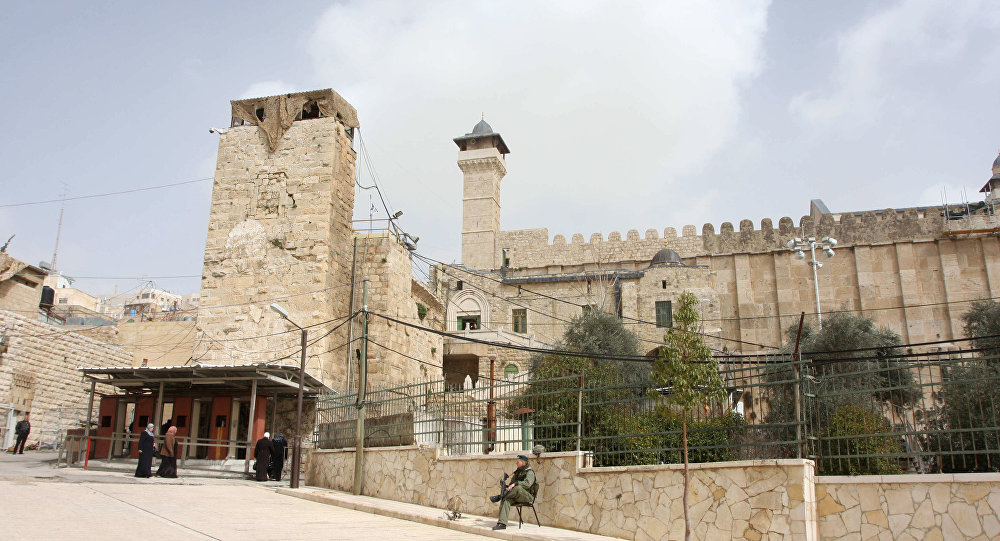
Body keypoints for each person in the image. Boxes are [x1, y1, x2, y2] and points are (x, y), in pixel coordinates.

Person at [490, 455, 538, 530]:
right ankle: (502, 524)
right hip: (517, 495)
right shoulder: (518, 472)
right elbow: (511, 485)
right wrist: (505, 486)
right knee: (506, 500)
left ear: (523, 462)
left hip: (527, 496)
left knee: (517, 488)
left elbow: (528, 484)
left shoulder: (529, 472)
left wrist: (515, 484)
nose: (516, 463)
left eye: (518, 462)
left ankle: (500, 496)